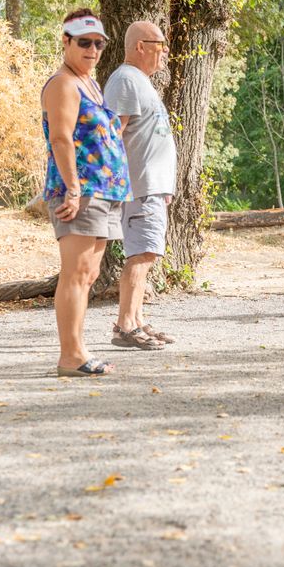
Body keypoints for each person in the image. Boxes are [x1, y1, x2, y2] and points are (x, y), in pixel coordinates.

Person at [42, 9, 130, 377]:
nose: (92, 49)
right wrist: (74, 189)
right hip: (79, 191)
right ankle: (70, 356)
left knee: (89, 273)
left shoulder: (89, 83)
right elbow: (61, 138)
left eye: (98, 43)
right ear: (66, 41)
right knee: (75, 273)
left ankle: (79, 349)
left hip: (105, 191)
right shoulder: (63, 83)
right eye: (84, 42)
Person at [104, 21, 178, 350]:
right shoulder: (125, 80)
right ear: (140, 46)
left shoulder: (141, 82)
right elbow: (112, 135)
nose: (164, 51)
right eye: (159, 44)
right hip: (140, 187)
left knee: (146, 253)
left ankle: (135, 319)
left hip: (152, 188)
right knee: (141, 254)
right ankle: (124, 326)